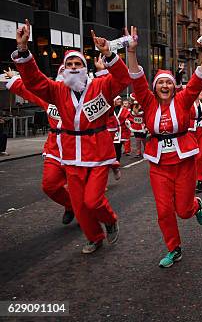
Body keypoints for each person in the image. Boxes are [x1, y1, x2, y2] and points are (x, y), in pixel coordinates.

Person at [12, 20, 129, 254]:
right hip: (70, 153)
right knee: (78, 204)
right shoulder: (58, 90)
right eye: (70, 64)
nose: (74, 67)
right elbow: (34, 81)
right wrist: (23, 50)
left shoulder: (100, 86)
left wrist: (109, 55)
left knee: (93, 200)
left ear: (85, 68)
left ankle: (110, 219)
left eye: (78, 63)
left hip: (96, 152)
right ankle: (94, 237)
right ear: (64, 70)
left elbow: (123, 80)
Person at [127, 29, 202, 268]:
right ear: (155, 87)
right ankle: (174, 249)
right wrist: (131, 52)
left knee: (183, 211)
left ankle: (196, 206)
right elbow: (137, 79)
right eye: (160, 82)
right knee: (164, 211)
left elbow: (196, 84)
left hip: (183, 162)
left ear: (174, 87)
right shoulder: (148, 101)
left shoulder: (183, 100)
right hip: (159, 164)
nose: (164, 85)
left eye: (168, 82)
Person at [4, 66, 74, 224]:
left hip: (76, 146)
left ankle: (89, 216)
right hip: (54, 148)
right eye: (62, 71)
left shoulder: (82, 95)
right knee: (50, 185)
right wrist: (15, 78)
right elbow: (29, 90)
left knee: (81, 189)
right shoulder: (49, 97)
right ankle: (71, 205)